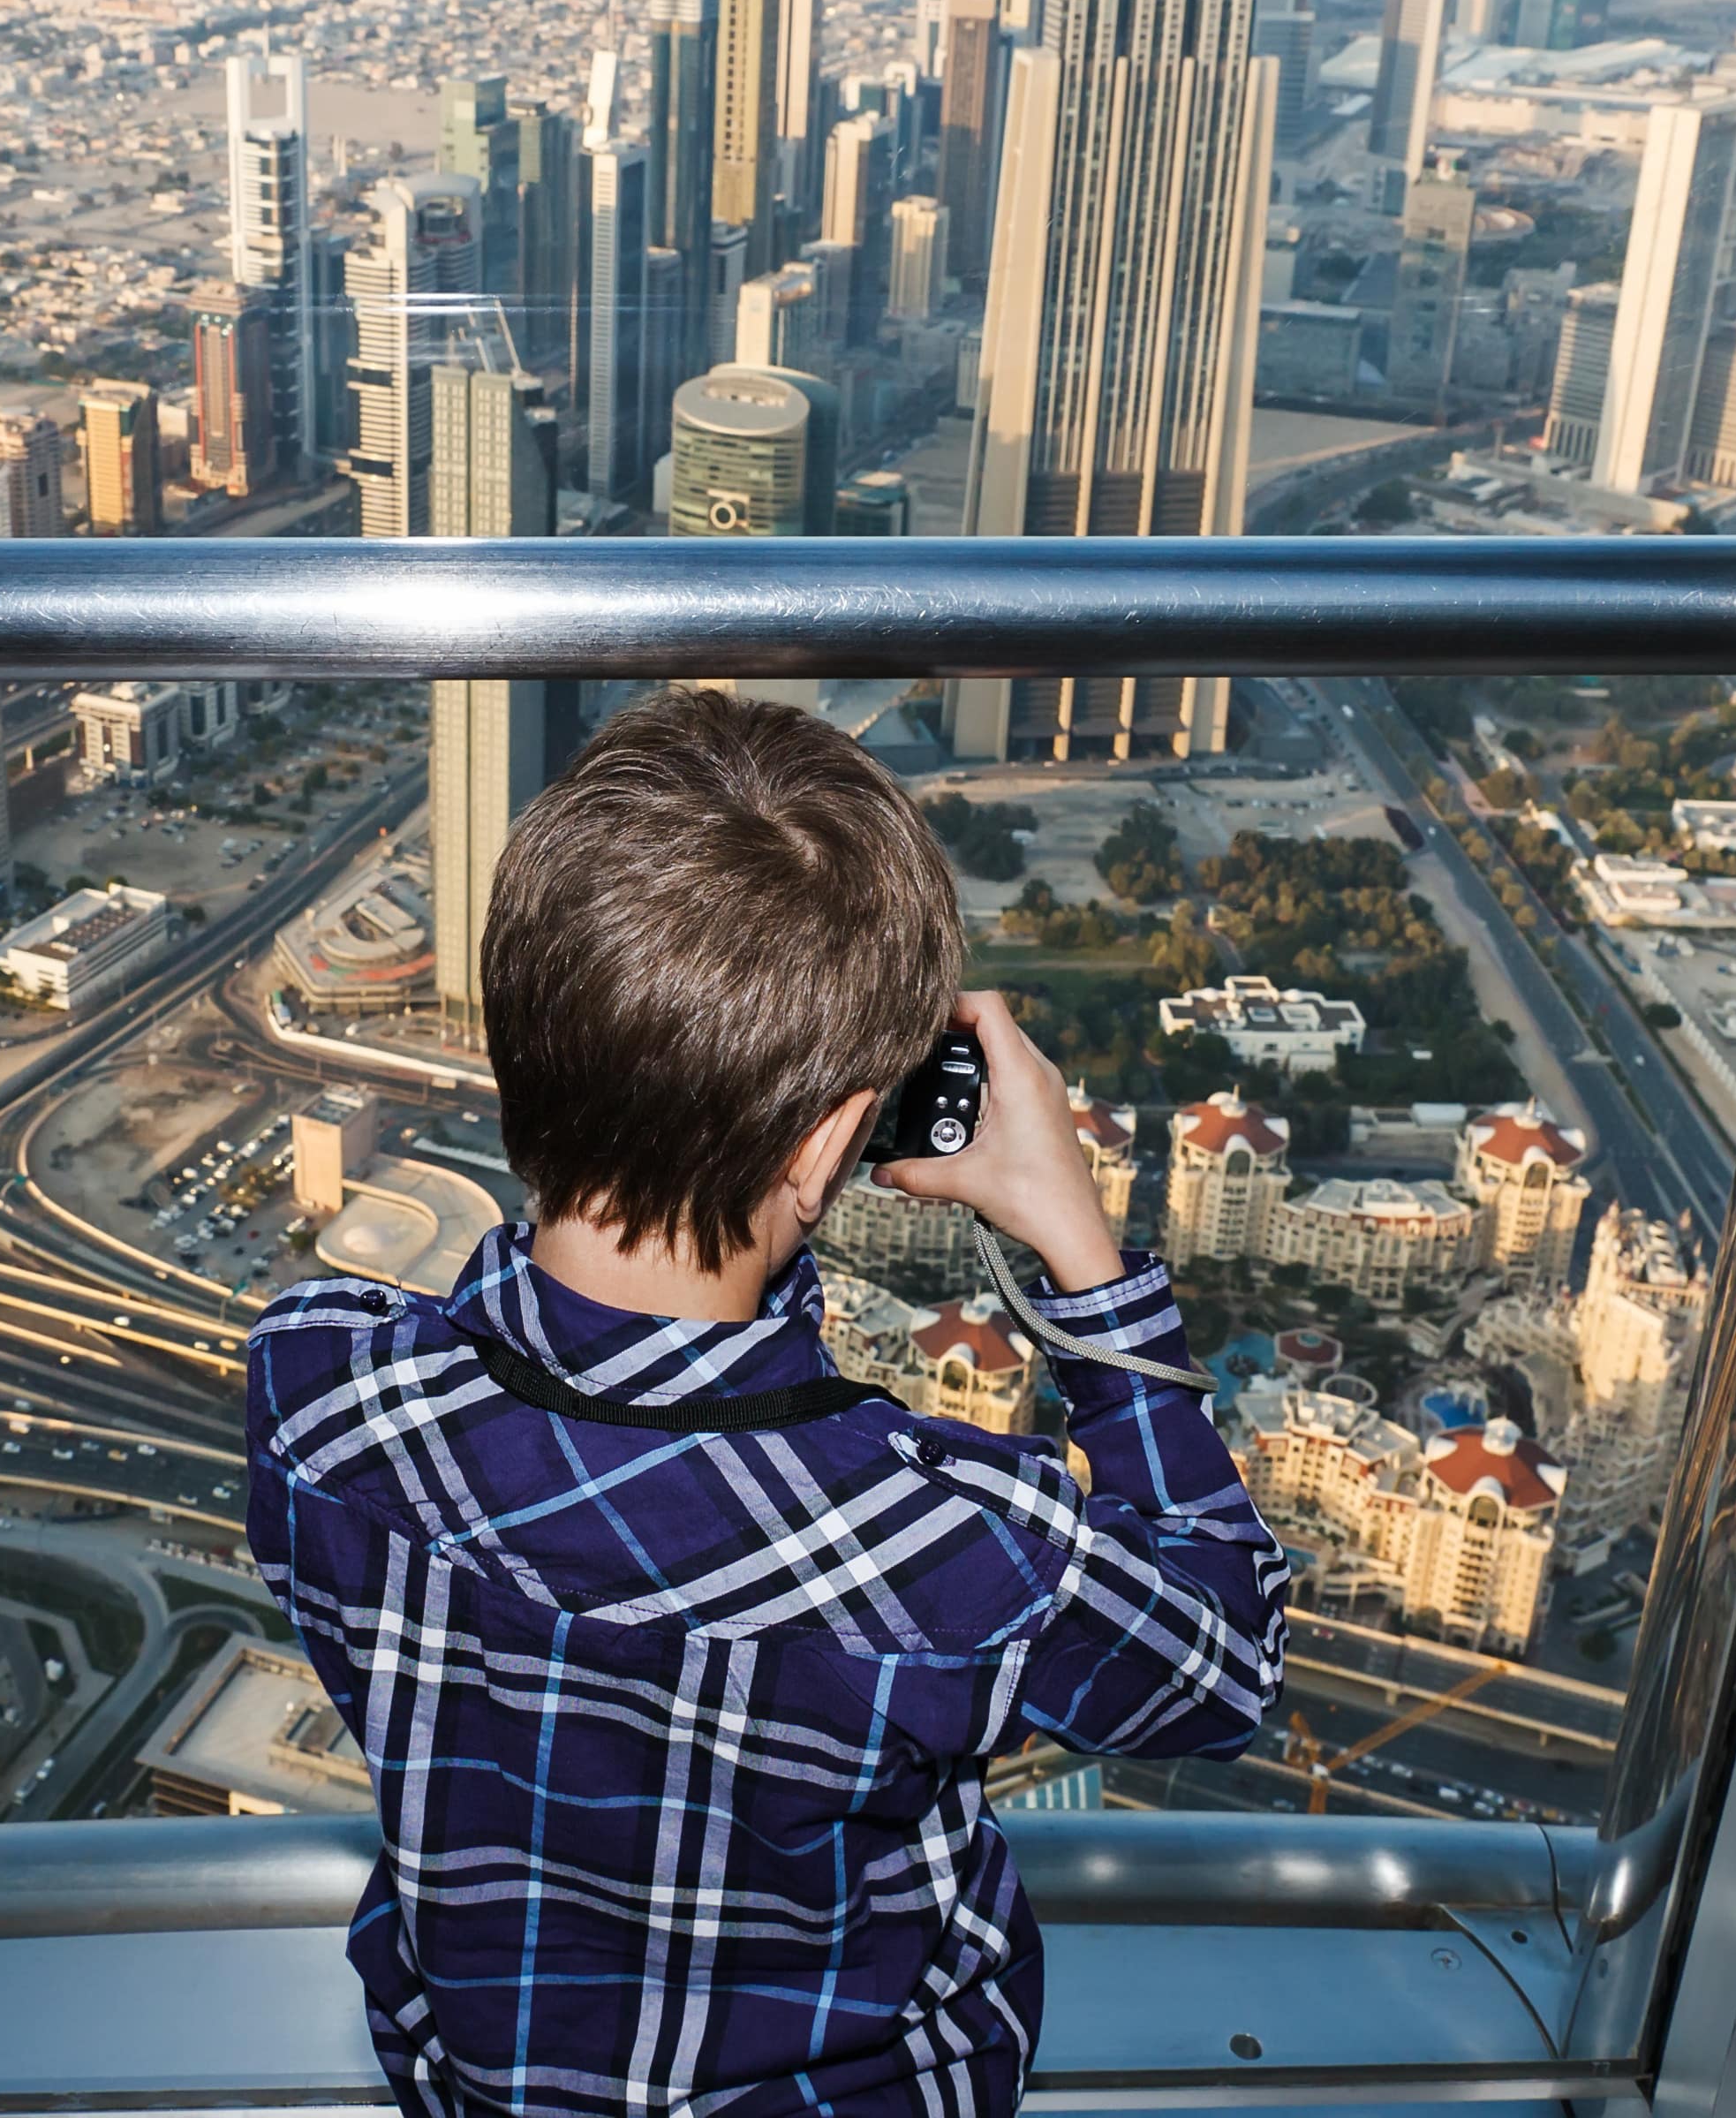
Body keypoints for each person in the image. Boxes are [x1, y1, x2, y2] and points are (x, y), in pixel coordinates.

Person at [245, 688, 1286, 2118]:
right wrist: (1078, 1251)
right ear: (837, 1139)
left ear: (528, 1039)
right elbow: (1223, 1667)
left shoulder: (322, 1391)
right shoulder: (955, 1544)